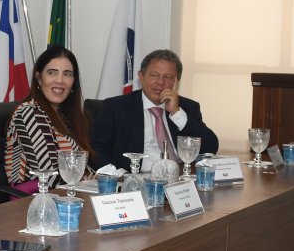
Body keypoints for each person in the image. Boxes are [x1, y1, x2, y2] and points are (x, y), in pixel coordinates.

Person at [90, 49, 219, 171]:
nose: (160, 82)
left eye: (167, 77)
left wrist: (177, 113)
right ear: (141, 76)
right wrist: (120, 176)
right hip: (134, 178)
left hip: (178, 180)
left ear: (176, 81)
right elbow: (96, 149)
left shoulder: (187, 107)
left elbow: (210, 148)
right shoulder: (116, 107)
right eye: (154, 75)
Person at [4, 46, 94, 188]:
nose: (60, 80)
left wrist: (97, 179)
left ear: (73, 82)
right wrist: (86, 181)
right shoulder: (29, 112)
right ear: (39, 78)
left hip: (65, 192)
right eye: (52, 73)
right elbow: (47, 173)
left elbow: (79, 167)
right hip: (33, 196)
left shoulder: (65, 116)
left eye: (67, 74)